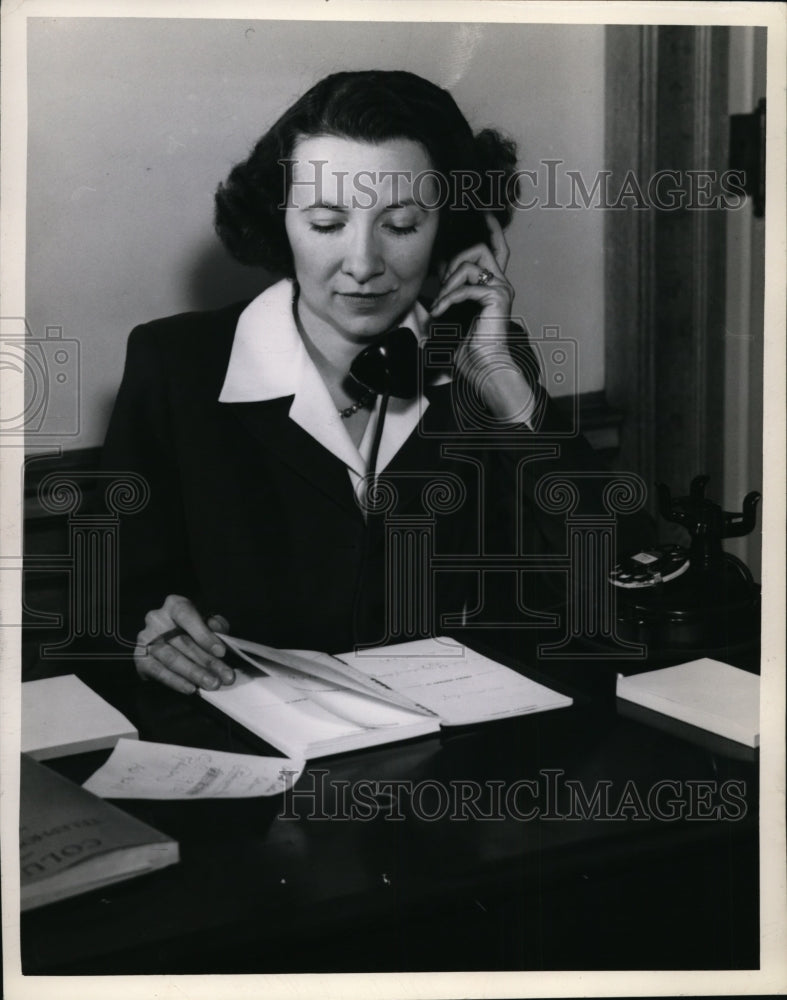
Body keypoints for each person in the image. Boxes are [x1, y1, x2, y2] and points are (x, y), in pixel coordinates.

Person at [101, 70, 654, 694]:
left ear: (453, 229)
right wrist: (149, 637)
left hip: (466, 769)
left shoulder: (485, 363)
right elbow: (111, 612)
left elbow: (611, 583)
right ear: (278, 220)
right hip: (260, 755)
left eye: (400, 225)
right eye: (327, 223)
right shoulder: (177, 365)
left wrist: (503, 389)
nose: (363, 265)